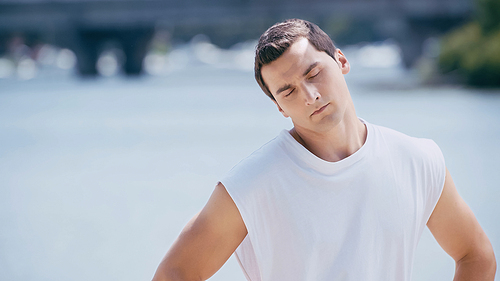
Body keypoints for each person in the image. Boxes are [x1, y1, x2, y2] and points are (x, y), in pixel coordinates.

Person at [151, 19, 496, 281]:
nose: (309, 95)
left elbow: (476, 255)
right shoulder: (250, 185)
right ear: (280, 108)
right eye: (287, 91)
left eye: (313, 73)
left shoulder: (418, 159)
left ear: (341, 61)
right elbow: (174, 274)